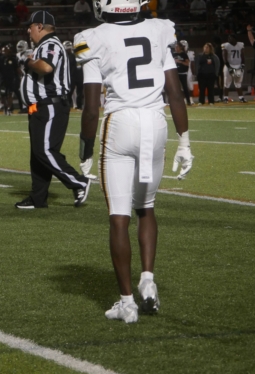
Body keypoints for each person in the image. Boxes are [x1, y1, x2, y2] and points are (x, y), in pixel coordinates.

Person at [74, 0, 193, 323]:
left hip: (120, 122)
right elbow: (176, 93)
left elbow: (90, 107)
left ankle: (127, 303)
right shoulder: (158, 30)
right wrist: (184, 140)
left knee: (118, 217)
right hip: (155, 123)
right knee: (147, 207)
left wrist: (85, 149)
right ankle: (148, 280)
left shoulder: (93, 38)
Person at [16, 10, 90, 209]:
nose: (28, 31)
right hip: (42, 106)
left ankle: (78, 181)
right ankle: (38, 198)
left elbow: (46, 67)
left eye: (30, 26)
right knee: (38, 154)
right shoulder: (45, 45)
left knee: (45, 151)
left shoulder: (50, 44)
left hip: (50, 106)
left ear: (39, 26)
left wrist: (26, 61)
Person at [0, 44, 20, 115]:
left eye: (5, 51)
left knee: (10, 94)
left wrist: (20, 76)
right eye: (3, 51)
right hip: (2, 80)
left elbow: (17, 69)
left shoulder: (13, 59)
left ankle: (9, 108)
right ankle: (4, 106)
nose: (4, 52)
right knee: (2, 94)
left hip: (11, 80)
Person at [222, 34, 247, 103]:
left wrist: (243, 65)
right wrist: (228, 66)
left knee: (238, 83)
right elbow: (224, 56)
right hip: (229, 65)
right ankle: (225, 98)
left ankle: (241, 97)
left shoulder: (240, 44)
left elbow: (242, 55)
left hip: (238, 65)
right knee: (226, 83)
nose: (229, 39)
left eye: (231, 37)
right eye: (228, 37)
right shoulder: (226, 45)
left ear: (235, 38)